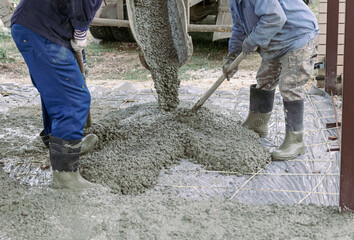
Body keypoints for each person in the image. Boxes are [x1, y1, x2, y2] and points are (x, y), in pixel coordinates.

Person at [11, 0, 102, 188]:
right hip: (40, 27)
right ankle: (65, 176)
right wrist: (81, 30)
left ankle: (61, 145)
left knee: (55, 91)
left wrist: (81, 58)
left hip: (42, 25)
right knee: (74, 99)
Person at [223, 0, 318, 160]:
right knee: (264, 79)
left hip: (297, 35)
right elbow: (240, 27)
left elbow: (275, 17)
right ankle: (257, 124)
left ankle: (295, 141)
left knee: (290, 85)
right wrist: (232, 55)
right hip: (276, 39)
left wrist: (252, 41)